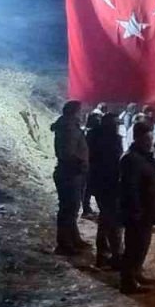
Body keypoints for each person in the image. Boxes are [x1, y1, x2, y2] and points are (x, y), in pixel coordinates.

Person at [119, 122, 155, 294]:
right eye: (147, 138)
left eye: (151, 138)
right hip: (138, 211)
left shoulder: (145, 156)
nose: (150, 142)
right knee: (133, 246)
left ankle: (136, 273)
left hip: (147, 209)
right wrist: (136, 209)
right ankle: (128, 281)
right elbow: (129, 187)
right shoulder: (130, 158)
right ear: (138, 138)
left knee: (143, 245)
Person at [51, 100, 91, 255]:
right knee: (68, 208)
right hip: (69, 173)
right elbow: (68, 153)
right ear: (74, 112)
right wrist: (80, 164)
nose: (81, 114)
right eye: (80, 111)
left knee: (72, 208)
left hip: (70, 172)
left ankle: (73, 238)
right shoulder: (68, 129)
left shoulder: (69, 127)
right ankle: (64, 244)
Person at [88, 113, 124, 269]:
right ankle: (115, 256)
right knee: (113, 221)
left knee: (104, 219)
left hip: (98, 183)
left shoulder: (92, 136)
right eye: (116, 123)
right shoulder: (112, 139)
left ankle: (102, 255)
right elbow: (116, 161)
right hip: (110, 183)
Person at [80, 111, 102, 220]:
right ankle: (86, 208)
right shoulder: (93, 133)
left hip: (90, 162)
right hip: (92, 163)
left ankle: (87, 208)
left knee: (88, 187)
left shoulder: (87, 132)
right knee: (89, 187)